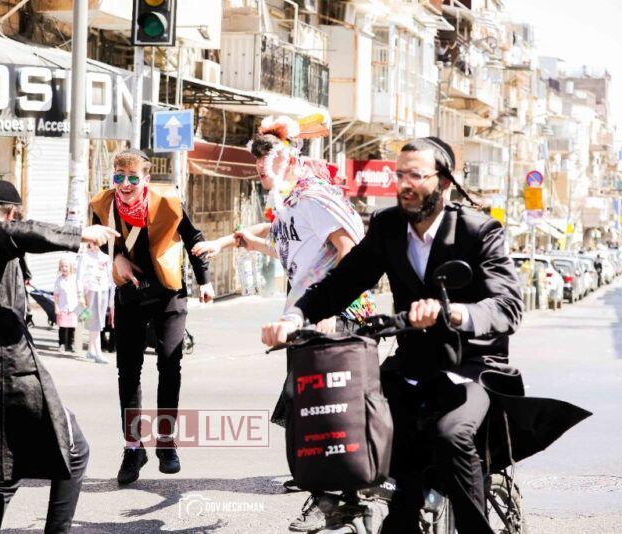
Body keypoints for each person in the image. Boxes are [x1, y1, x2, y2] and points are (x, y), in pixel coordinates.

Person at [262, 137, 590, 533]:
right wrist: (295, 317)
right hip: (412, 366)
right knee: (361, 424)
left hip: (472, 368)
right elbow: (341, 284)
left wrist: (455, 313)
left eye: (416, 175)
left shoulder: (477, 230)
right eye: (399, 175)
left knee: (451, 435)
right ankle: (356, 504)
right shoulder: (387, 227)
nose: (405, 185)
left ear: (444, 182)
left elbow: (507, 307)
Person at [192, 115, 376, 532]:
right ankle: (336, 493)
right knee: (312, 409)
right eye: (258, 163)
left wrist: (330, 312)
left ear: (291, 159)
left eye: (269, 160)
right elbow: (287, 246)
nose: (262, 168)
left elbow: (350, 252)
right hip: (305, 318)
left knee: (327, 411)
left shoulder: (314, 197)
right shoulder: (291, 204)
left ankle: (331, 497)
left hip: (338, 318)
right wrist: (230, 243)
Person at [0, 180, 118, 533]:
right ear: (11, 214)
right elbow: (15, 233)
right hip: (8, 371)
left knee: (8, 471)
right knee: (75, 450)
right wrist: (80, 234)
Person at [89, 148, 214, 486]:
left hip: (168, 293)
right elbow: (99, 240)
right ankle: (133, 448)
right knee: (128, 372)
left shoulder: (168, 201)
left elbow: (193, 237)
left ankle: (166, 443)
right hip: (130, 295)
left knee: (169, 365)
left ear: (146, 178)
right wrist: (116, 257)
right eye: (119, 177)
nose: (125, 184)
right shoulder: (103, 204)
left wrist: (204, 280)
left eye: (133, 178)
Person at [77, 243, 114, 364]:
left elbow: (111, 276)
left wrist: (111, 298)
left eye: (98, 242)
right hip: (90, 291)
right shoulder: (84, 256)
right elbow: (79, 277)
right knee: (94, 322)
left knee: (98, 321)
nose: (96, 245)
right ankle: (98, 353)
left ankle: (91, 350)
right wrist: (80, 295)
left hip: (103, 290)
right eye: (93, 242)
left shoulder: (106, 256)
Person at [53, 255, 80, 353]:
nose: (64, 268)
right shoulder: (59, 280)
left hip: (73, 307)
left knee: (72, 327)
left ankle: (70, 344)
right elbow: (56, 295)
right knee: (62, 327)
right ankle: (62, 344)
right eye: (62, 266)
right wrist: (56, 307)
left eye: (66, 266)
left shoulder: (74, 279)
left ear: (70, 267)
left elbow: (79, 292)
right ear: (60, 268)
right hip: (62, 307)